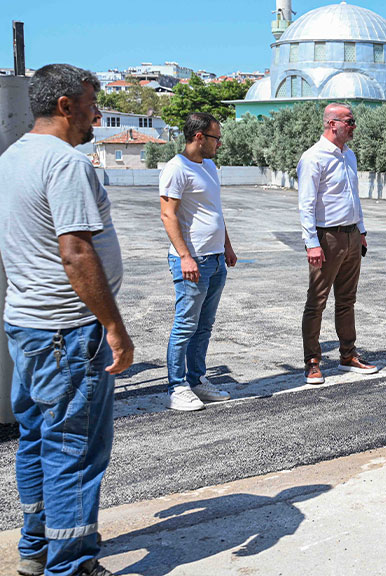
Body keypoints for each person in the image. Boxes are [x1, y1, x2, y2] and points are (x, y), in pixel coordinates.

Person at [0, 63, 133, 576]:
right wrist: (114, 327)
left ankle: (35, 549)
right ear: (65, 106)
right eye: (91, 104)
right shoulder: (65, 162)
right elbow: (75, 252)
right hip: (68, 332)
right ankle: (71, 565)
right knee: (73, 449)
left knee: (37, 438)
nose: (96, 114)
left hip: (27, 325)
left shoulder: (13, 157)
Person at [159, 113, 236, 411]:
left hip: (215, 258)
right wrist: (185, 256)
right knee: (184, 326)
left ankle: (196, 380)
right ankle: (177, 387)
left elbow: (215, 210)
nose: (220, 143)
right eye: (216, 137)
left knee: (204, 326)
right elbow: (168, 215)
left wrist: (227, 246)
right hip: (193, 260)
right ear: (199, 137)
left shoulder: (210, 166)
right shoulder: (176, 169)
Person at [298, 104, 378, 384]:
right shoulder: (313, 158)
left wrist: (362, 230)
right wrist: (312, 243)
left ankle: (348, 355)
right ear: (332, 124)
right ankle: (312, 362)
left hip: (352, 235)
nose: (354, 126)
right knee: (317, 301)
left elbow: (353, 197)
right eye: (350, 121)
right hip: (326, 238)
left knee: (347, 300)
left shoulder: (349, 156)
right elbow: (306, 205)